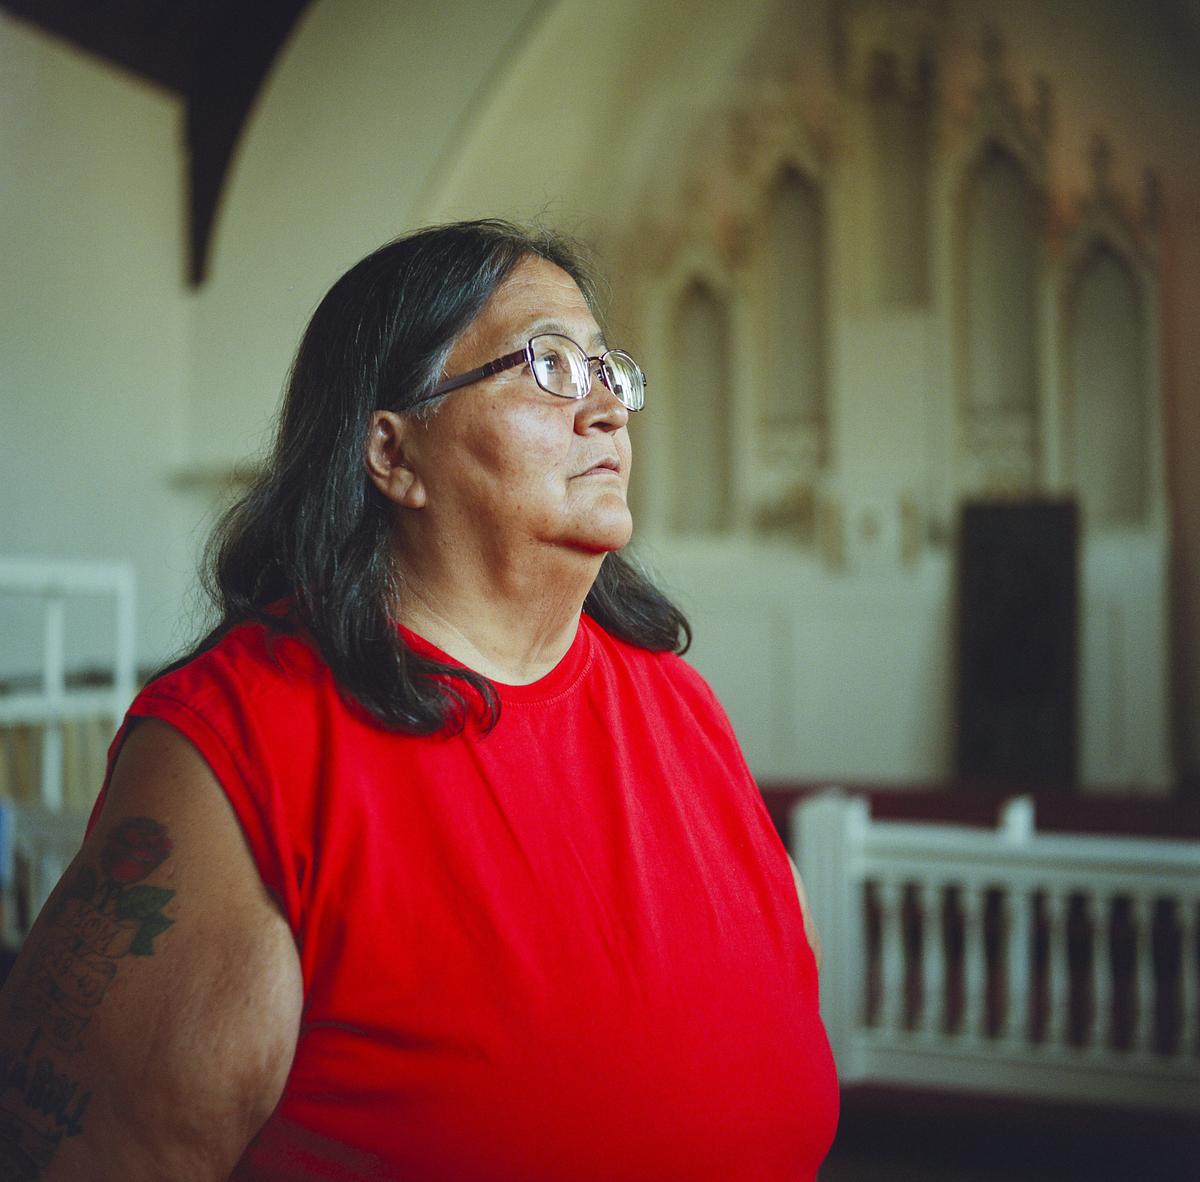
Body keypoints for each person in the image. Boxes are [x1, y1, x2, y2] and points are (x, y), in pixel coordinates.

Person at [0, 220, 838, 1180]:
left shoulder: (684, 707)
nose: (607, 410)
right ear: (392, 454)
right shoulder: (242, 741)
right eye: (550, 366)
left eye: (609, 373)